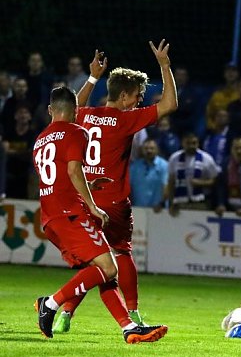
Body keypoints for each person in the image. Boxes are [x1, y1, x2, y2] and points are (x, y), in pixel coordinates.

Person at [54, 42, 178, 333]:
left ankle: (65, 313)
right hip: (113, 202)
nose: (138, 101)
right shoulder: (125, 119)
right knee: (121, 254)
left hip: (84, 199)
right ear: (123, 96)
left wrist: (93, 77)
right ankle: (133, 315)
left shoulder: (85, 115)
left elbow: (73, 107)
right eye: (137, 96)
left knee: (94, 260)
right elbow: (170, 104)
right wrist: (165, 65)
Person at [32, 86, 167, 343]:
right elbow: (73, 170)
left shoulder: (40, 140)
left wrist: (87, 186)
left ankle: (128, 329)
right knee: (108, 266)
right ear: (75, 110)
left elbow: (58, 177)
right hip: (70, 214)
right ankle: (50, 303)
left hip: (50, 217)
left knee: (101, 272)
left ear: (50, 110)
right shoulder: (76, 131)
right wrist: (92, 205)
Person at [167, 132, 220, 214]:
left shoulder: (207, 158)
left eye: (194, 143)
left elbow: (215, 180)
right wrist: (171, 202)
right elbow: (171, 182)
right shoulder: (174, 158)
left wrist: (201, 182)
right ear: (183, 143)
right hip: (180, 202)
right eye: (188, 143)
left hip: (201, 202)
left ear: (198, 143)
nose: (191, 146)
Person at [214, 137, 241, 216]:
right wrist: (221, 204)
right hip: (229, 207)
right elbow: (221, 186)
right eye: (236, 148)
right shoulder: (226, 163)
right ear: (231, 149)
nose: (239, 151)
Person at [129, 138, 169, 209]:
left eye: (152, 148)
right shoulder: (134, 166)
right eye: (146, 148)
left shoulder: (164, 165)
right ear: (142, 150)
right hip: (138, 208)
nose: (149, 151)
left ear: (157, 150)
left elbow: (166, 187)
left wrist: (161, 204)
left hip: (158, 209)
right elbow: (128, 187)